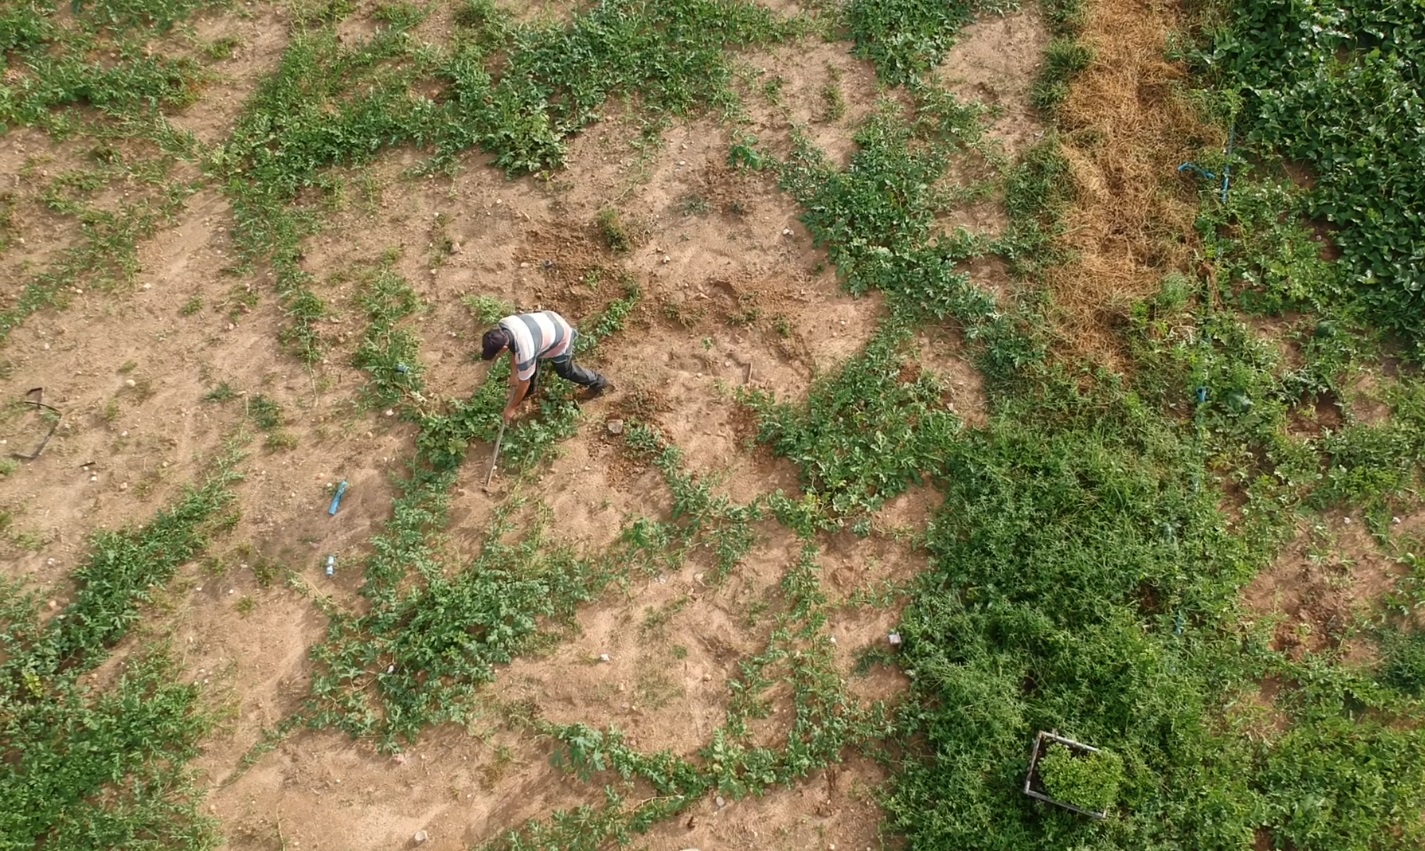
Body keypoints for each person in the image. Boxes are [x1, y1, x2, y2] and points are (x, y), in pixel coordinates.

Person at [480, 310, 609, 422]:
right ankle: (531, 390)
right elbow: (514, 348)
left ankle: (598, 381)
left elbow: (524, 382)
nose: (497, 356)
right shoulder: (505, 324)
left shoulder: (525, 351)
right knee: (527, 368)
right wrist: (514, 373)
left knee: (565, 371)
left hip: (561, 335)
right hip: (548, 320)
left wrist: (511, 408)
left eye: (496, 353)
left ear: (503, 347)